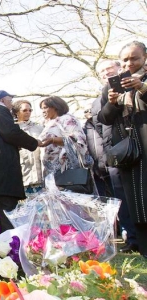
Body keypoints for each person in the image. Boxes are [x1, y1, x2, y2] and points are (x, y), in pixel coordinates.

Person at [98, 41, 147, 258]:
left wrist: (142, 88)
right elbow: (104, 118)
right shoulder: (112, 85)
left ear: (145, 57)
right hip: (130, 153)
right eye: (125, 59)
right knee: (137, 203)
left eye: (134, 58)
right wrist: (111, 102)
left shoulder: (143, 81)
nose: (129, 63)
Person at [0, 90, 41, 231]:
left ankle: (0, 249)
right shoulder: (0, 110)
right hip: (3, 175)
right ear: (3, 100)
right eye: (10, 100)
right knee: (8, 214)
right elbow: (10, 132)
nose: (12, 104)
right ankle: (11, 248)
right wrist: (34, 143)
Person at [93, 59, 139, 254]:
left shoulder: (135, 83)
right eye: (102, 70)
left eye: (109, 68)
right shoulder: (101, 97)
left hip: (136, 145)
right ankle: (133, 238)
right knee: (122, 197)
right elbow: (101, 123)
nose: (106, 72)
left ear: (119, 68)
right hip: (114, 152)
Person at [38, 96, 90, 180]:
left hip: (67, 168)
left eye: (45, 107)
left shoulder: (68, 119)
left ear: (55, 107)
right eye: (41, 108)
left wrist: (53, 140)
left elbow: (77, 139)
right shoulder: (48, 123)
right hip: (51, 169)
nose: (43, 111)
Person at [12, 100, 44, 194]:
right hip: (23, 176)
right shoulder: (13, 130)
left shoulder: (39, 128)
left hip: (41, 175)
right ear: (17, 112)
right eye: (25, 110)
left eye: (30, 110)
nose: (28, 113)